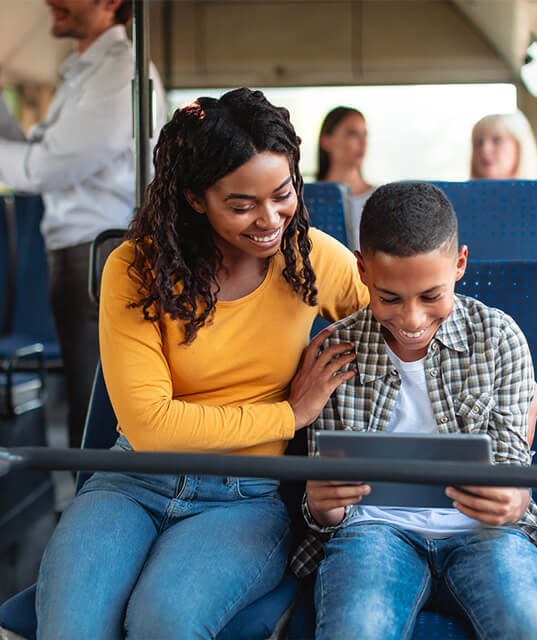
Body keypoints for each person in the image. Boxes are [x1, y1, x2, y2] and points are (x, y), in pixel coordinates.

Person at [34, 88, 369, 639]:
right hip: (132, 483)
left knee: (162, 621)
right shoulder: (135, 269)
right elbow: (151, 426)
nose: (270, 219)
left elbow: (412, 329)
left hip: (245, 495)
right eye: (241, 205)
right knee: (71, 627)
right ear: (195, 198)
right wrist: (289, 415)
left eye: (282, 194)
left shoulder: (314, 259)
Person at [290, 182, 537, 639]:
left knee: (535, 623)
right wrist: (322, 508)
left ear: (460, 264)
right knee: (356, 629)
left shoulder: (499, 338)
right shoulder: (334, 351)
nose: (411, 320)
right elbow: (327, 500)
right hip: (375, 531)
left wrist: (514, 498)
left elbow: (512, 471)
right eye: (389, 298)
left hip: (485, 531)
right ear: (361, 270)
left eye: (430, 296)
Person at [0, 0, 167, 448]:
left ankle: (95, 501)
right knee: (84, 393)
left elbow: (42, 169)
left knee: (99, 409)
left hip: (101, 253)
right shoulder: (83, 73)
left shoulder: (120, 74)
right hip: (78, 255)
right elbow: (40, 154)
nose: (51, 2)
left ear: (110, 3)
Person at [316, 106, 374, 250]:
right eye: (352, 134)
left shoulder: (380, 198)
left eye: (365, 135)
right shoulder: (306, 199)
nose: (363, 143)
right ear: (326, 141)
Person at [470, 111, 537, 180]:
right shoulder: (462, 191)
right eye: (479, 142)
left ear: (519, 146)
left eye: (496, 140)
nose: (485, 149)